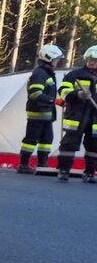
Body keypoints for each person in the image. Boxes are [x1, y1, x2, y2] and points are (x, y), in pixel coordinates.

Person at [17, 44, 64, 174]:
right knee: (31, 139)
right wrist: (54, 100)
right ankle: (23, 164)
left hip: (46, 113)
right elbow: (35, 94)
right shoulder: (39, 74)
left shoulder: (46, 73)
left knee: (47, 139)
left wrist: (56, 102)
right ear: (49, 58)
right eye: (57, 58)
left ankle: (42, 164)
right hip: (37, 113)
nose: (58, 61)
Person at [55, 45, 97, 182]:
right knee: (69, 144)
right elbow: (62, 92)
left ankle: (89, 173)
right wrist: (77, 94)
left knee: (94, 146)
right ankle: (63, 171)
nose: (92, 62)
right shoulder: (74, 75)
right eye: (90, 59)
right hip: (76, 117)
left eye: (95, 60)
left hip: (95, 119)